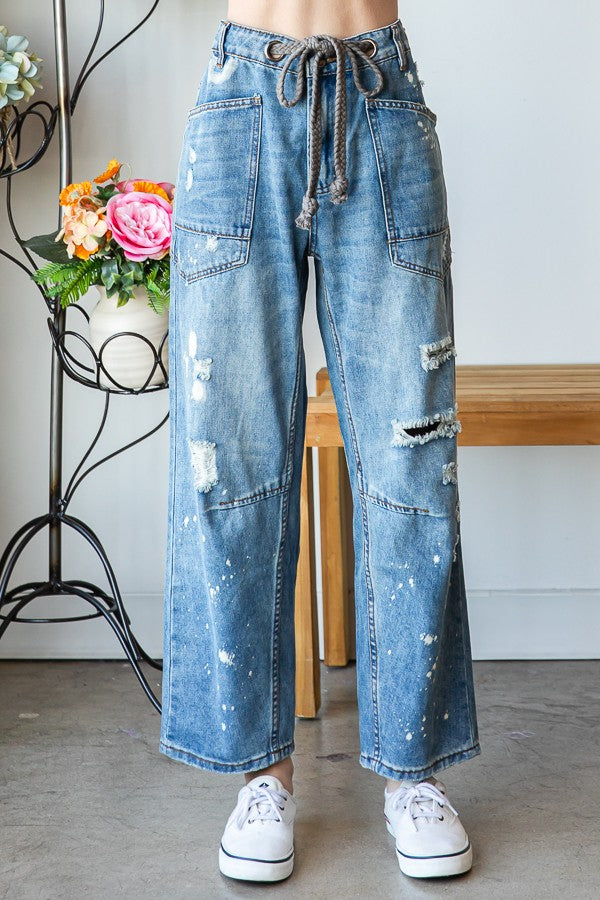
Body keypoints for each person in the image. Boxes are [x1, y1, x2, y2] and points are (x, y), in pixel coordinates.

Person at [159, 0, 481, 883]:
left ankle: (413, 771)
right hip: (240, 108)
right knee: (229, 461)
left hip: (380, 100)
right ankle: (261, 776)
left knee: (412, 462)